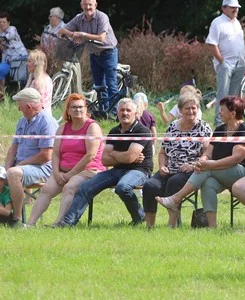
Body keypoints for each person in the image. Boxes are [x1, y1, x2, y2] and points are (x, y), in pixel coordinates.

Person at [157, 96, 245, 228]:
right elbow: (208, 153)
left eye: (222, 110)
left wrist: (210, 165)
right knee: (208, 183)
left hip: (243, 173)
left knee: (207, 169)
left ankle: (175, 198)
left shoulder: (244, 129)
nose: (219, 112)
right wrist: (200, 163)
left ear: (233, 113)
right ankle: (212, 227)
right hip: (221, 171)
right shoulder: (220, 129)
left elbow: (237, 158)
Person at [59, 98, 152, 226]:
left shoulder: (142, 131)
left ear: (135, 114)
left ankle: (139, 216)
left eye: (128, 110)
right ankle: (68, 222)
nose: (125, 113)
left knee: (123, 187)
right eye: (122, 110)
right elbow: (105, 160)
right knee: (86, 187)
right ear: (117, 113)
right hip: (117, 170)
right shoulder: (114, 131)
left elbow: (129, 158)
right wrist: (123, 156)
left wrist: (115, 155)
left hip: (139, 171)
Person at [27, 94, 104, 226]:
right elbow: (56, 153)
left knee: (69, 187)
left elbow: (90, 156)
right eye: (73, 107)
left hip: (88, 170)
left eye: (81, 107)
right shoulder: (63, 128)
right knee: (46, 189)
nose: (77, 110)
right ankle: (30, 224)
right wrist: (56, 173)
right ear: (68, 110)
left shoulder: (92, 127)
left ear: (86, 109)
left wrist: (69, 174)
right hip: (63, 171)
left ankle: (59, 223)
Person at [141, 91, 213, 228]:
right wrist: (162, 166)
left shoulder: (204, 128)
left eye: (194, 108)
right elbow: (162, 152)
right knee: (150, 185)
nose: (191, 111)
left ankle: (172, 224)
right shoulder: (173, 127)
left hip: (191, 170)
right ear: (180, 110)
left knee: (173, 182)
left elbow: (207, 154)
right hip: (169, 168)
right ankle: (149, 226)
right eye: (187, 108)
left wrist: (192, 165)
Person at [57, 0, 120, 115]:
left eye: (90, 4)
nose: (88, 7)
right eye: (85, 4)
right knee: (99, 85)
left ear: (95, 5)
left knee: (111, 85)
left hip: (108, 53)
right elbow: (62, 30)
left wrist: (83, 35)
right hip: (94, 54)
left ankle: (115, 113)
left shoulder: (102, 17)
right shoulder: (79, 18)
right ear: (81, 6)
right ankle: (103, 112)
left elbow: (101, 37)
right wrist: (73, 34)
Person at [3, 88, 58, 223]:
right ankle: (3, 214)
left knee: (14, 173)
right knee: (9, 171)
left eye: (19, 105)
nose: (18, 109)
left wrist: (19, 165)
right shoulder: (22, 121)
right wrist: (7, 166)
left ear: (28, 106)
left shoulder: (47, 122)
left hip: (42, 168)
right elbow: (13, 147)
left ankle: (16, 219)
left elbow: (46, 156)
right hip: (21, 166)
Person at [206, 0, 245, 124]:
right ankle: (219, 122)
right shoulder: (217, 22)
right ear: (224, 8)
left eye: (237, 8)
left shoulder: (237, 22)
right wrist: (221, 62)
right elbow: (212, 43)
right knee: (223, 94)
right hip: (226, 63)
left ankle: (232, 120)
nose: (235, 10)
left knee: (234, 96)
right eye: (232, 8)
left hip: (239, 63)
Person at [0, 11, 30, 96]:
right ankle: (2, 95)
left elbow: (7, 38)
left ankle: (25, 96)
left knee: (22, 79)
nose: (2, 24)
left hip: (20, 59)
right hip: (8, 60)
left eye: (3, 22)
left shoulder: (12, 29)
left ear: (8, 22)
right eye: (0, 22)